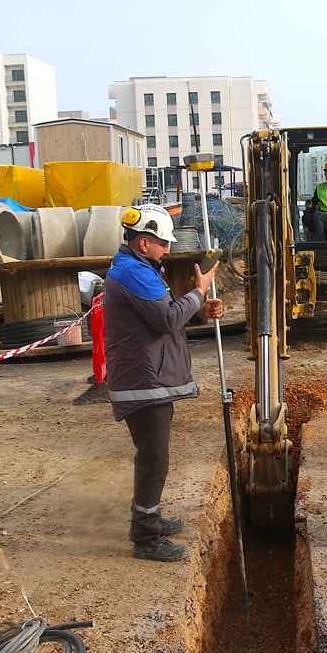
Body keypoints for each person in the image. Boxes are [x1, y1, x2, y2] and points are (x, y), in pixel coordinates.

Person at [105, 204, 224, 562]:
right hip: (144, 381)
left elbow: (160, 317)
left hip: (148, 377)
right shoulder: (134, 272)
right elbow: (167, 319)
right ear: (143, 243)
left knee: (155, 456)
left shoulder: (137, 268)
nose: (168, 249)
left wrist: (198, 310)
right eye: (162, 243)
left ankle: (149, 518)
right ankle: (145, 535)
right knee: (154, 459)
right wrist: (198, 293)